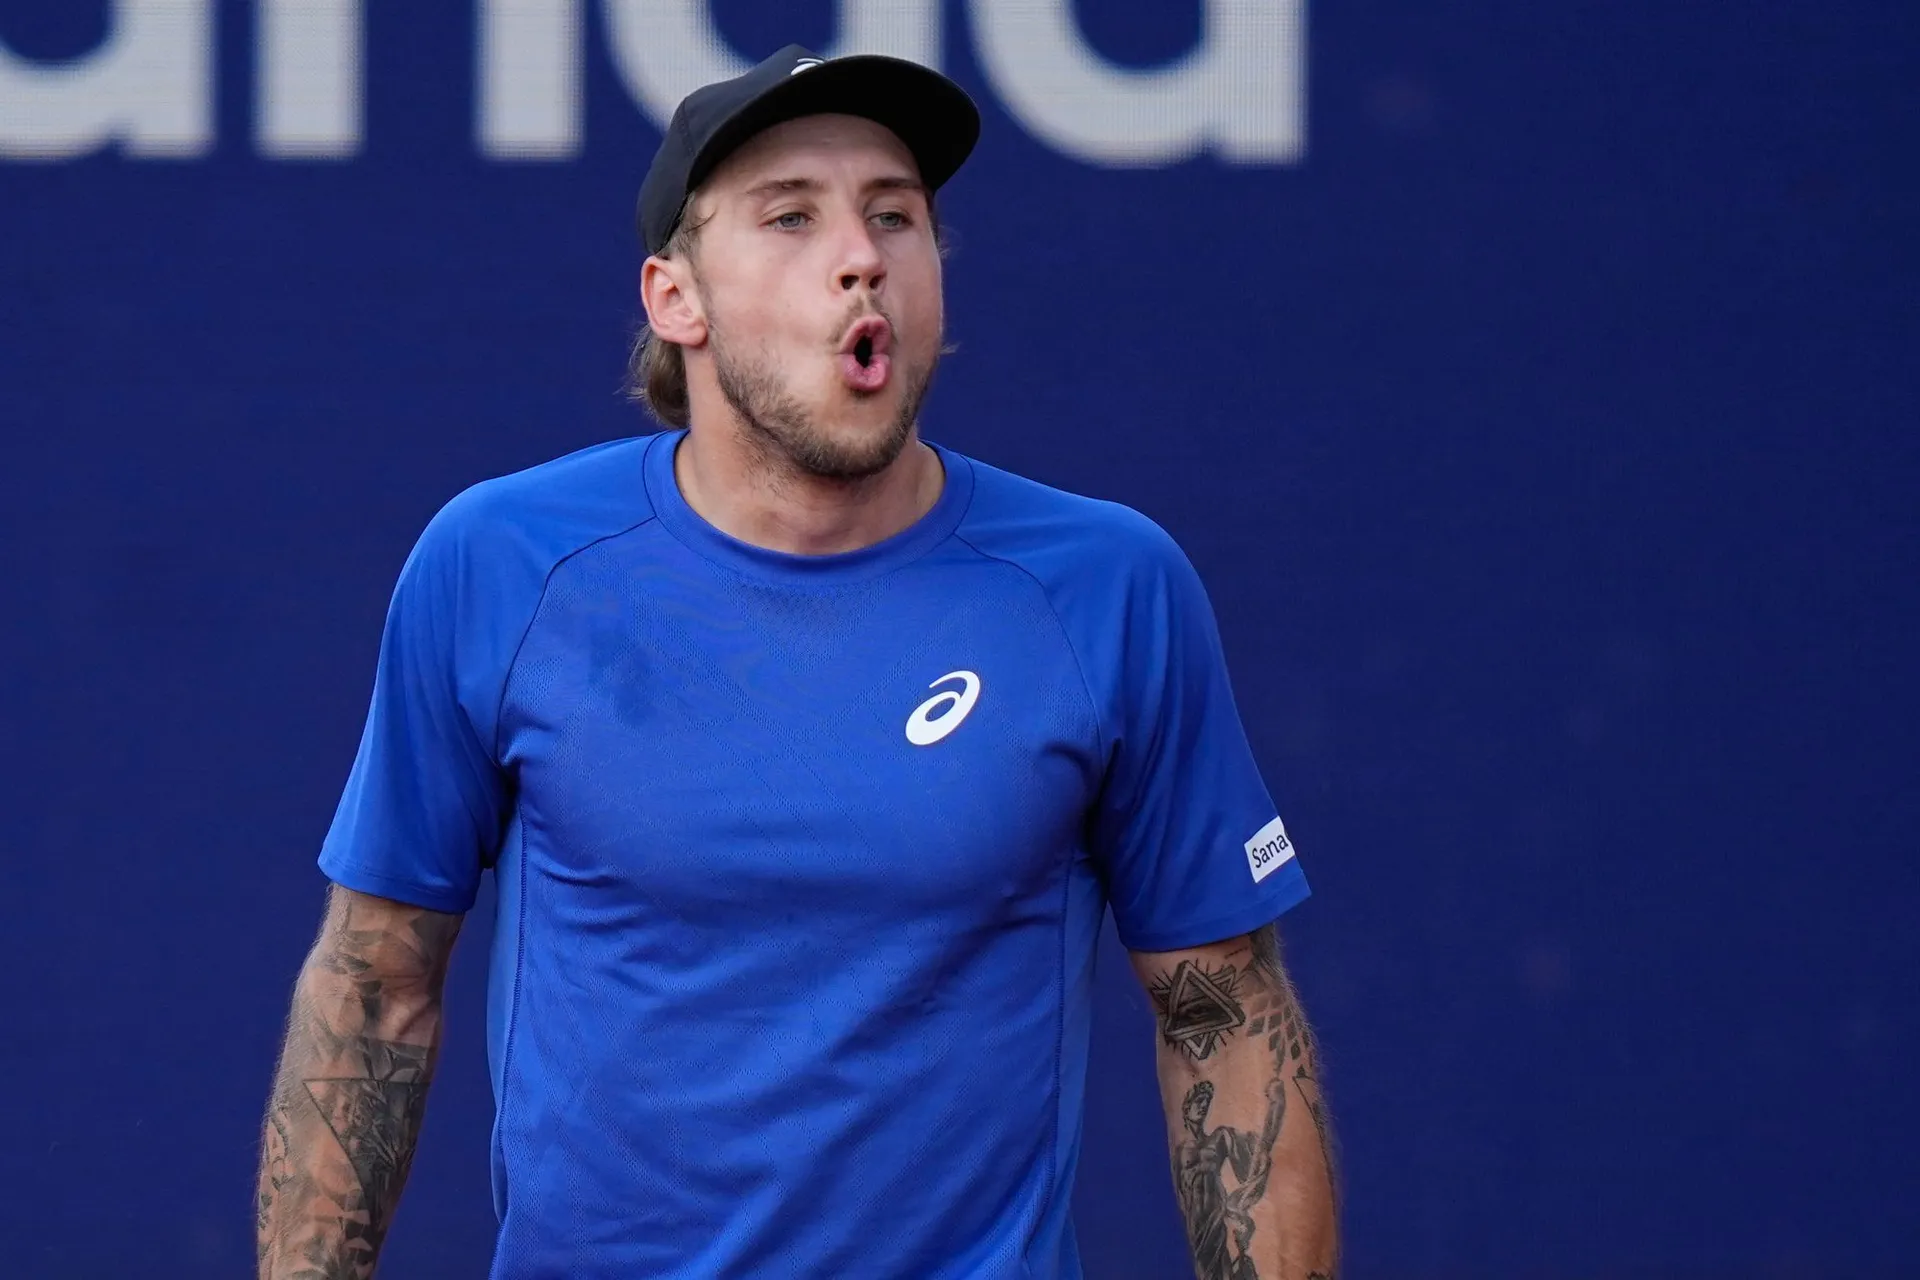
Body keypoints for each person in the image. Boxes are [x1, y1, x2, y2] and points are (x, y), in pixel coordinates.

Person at [254, 44, 1338, 1280]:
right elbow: (375, 986)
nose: (862, 255)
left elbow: (1223, 1015)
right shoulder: (498, 563)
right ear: (676, 298)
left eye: (896, 215)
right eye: (791, 216)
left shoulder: (1109, 586)